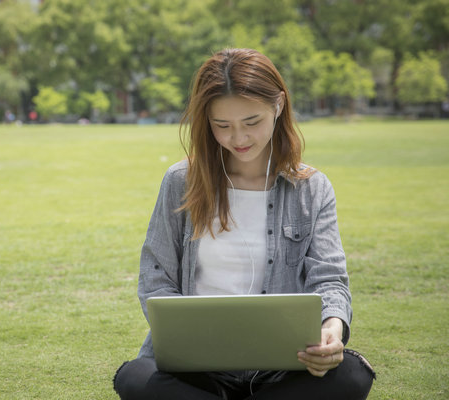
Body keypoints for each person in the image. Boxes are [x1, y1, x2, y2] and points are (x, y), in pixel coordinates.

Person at [113, 48, 376, 400]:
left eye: (251, 122)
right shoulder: (181, 180)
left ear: (278, 106)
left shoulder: (311, 188)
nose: (238, 139)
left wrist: (332, 328)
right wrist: (180, 336)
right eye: (222, 126)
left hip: (284, 369)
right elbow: (156, 276)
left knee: (352, 375)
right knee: (135, 377)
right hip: (197, 371)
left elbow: (329, 279)